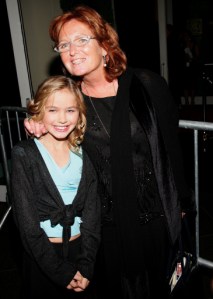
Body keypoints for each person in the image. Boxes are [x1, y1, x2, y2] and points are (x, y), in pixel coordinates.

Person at [24, 5, 195, 299]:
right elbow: (52, 133)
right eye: (64, 44)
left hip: (157, 221)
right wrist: (38, 126)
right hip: (105, 228)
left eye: (81, 39)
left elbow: (173, 151)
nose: (72, 50)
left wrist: (181, 206)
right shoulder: (70, 102)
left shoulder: (147, 85)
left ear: (105, 45)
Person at [11, 75, 101, 299]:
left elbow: (93, 215)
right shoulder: (25, 155)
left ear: (80, 113)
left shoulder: (84, 155)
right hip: (42, 257)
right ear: (39, 111)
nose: (62, 119)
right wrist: (61, 272)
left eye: (70, 110)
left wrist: (87, 264)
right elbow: (28, 227)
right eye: (52, 110)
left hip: (81, 253)